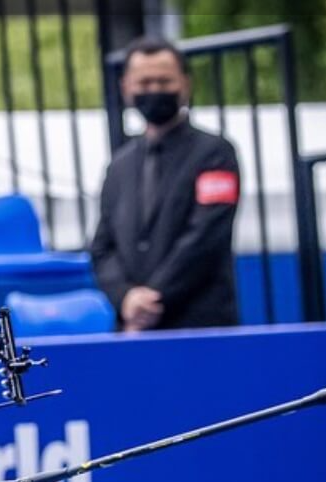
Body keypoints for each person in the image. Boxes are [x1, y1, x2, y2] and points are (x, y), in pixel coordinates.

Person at [90, 36, 241, 331]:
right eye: (144, 82)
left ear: (185, 84)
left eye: (164, 81)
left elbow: (205, 237)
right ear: (126, 87)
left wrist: (150, 301)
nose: (154, 90)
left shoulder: (215, 154)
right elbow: (102, 247)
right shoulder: (119, 165)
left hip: (200, 326)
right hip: (133, 331)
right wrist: (125, 298)